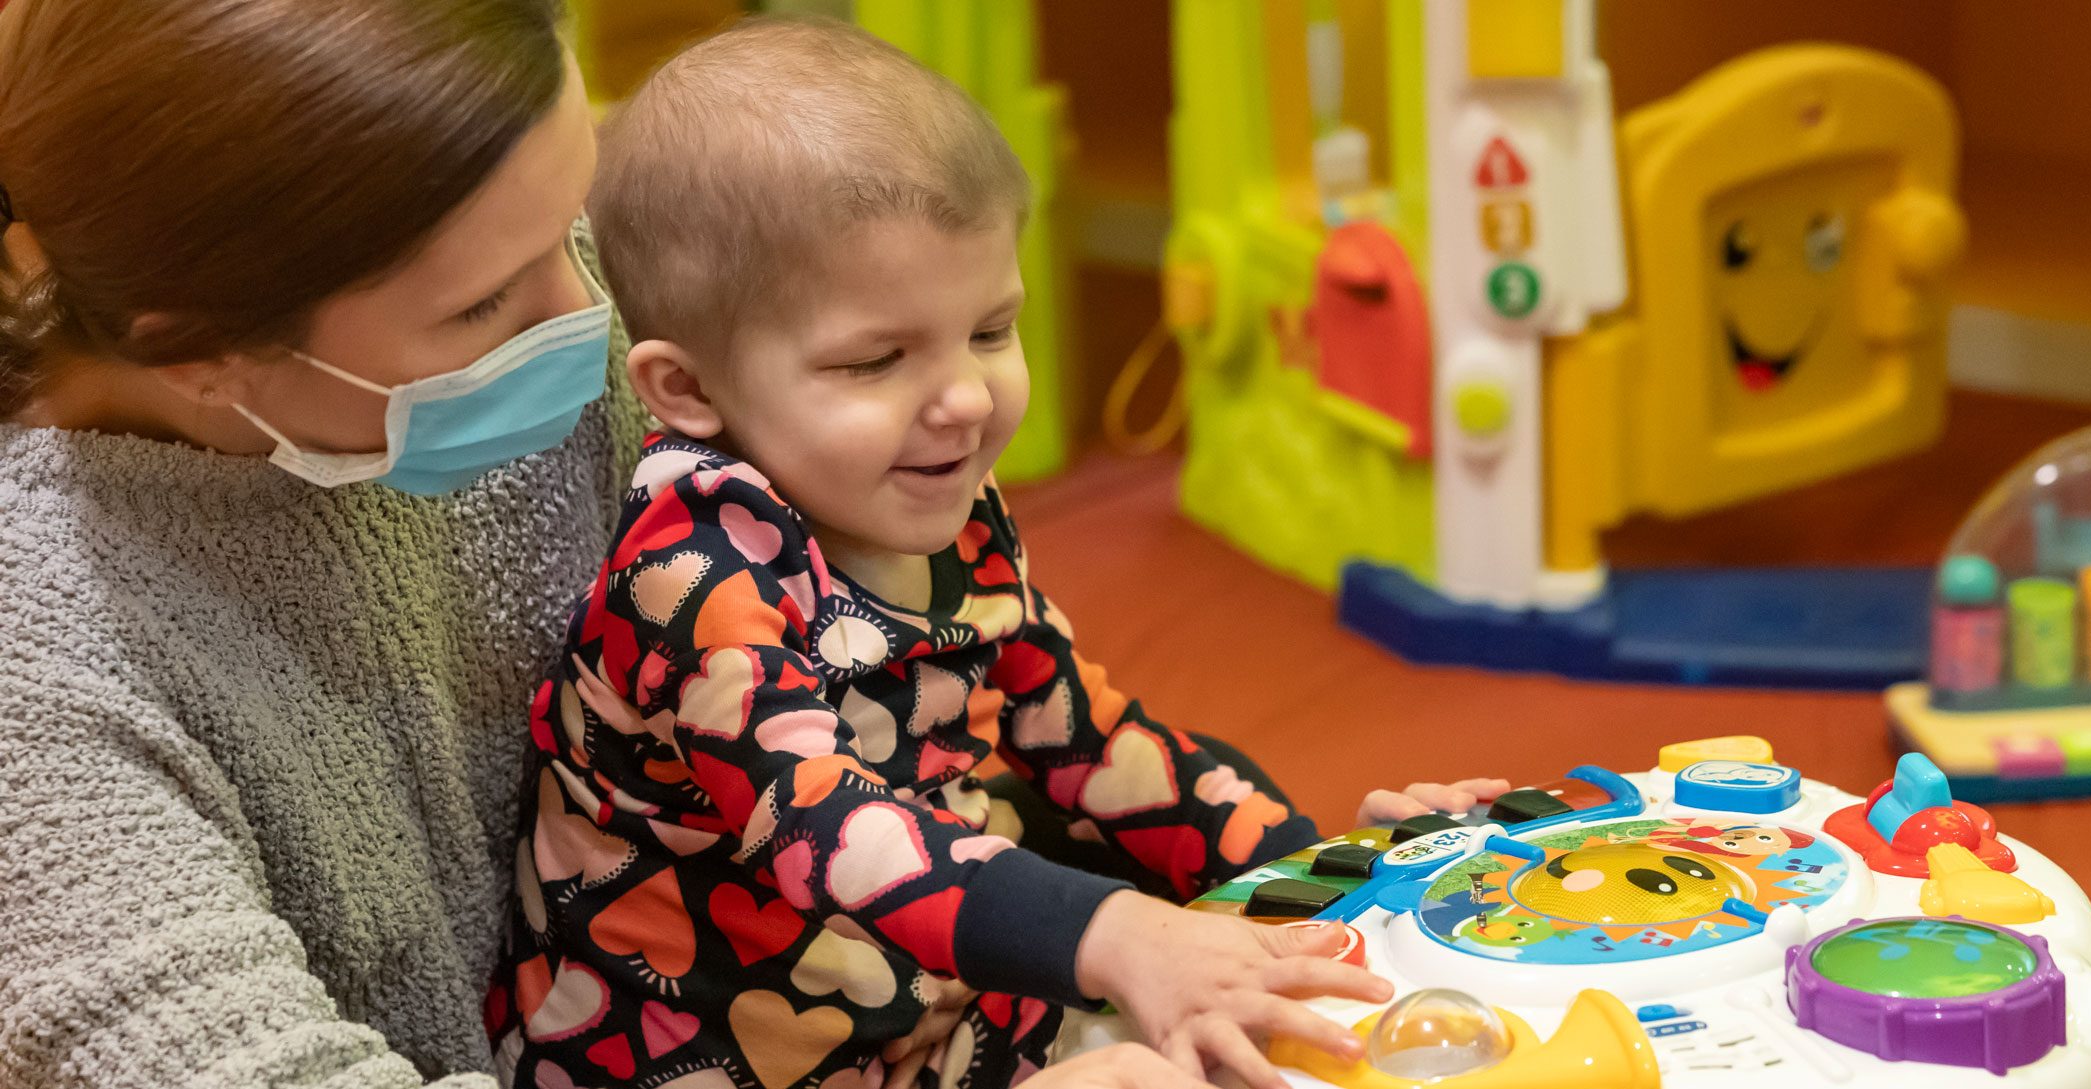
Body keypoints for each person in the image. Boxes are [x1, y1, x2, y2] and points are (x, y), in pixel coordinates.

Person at [0, 2, 1254, 1087]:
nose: (594, 314)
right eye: (485, 303)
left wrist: (1310, 880)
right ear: (199, 354)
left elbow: (963, 706)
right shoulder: (45, 684)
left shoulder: (587, 331)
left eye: (572, 222)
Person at [501, 18, 1506, 1089]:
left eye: (989, 330)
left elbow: (1086, 738)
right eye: (877, 360)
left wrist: (1317, 880)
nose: (968, 399)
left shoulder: (951, 506)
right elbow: (825, 825)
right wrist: (1117, 935)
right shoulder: (687, 569)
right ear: (690, 389)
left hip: (922, 1022)